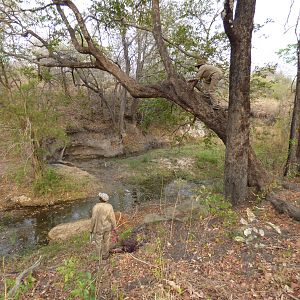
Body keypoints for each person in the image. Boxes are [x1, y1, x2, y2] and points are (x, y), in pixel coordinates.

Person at [90, 192, 117, 261]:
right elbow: (112, 218)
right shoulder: (109, 206)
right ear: (106, 200)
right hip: (107, 227)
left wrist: (91, 229)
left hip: (98, 228)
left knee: (98, 243)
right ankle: (105, 255)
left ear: (100, 199)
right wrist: (114, 227)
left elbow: (93, 218)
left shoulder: (96, 206)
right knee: (106, 241)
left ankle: (99, 257)